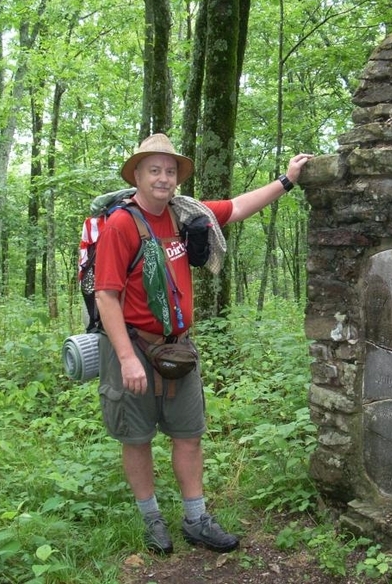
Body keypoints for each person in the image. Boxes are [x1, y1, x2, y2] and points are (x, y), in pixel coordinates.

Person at [94, 132, 311, 555]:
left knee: (188, 434)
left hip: (179, 348)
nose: (163, 178)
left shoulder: (184, 215)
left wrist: (286, 180)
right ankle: (152, 519)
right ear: (137, 174)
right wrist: (126, 359)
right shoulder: (121, 224)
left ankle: (195, 519)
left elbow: (238, 207)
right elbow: (106, 294)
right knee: (136, 438)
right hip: (134, 346)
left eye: (169, 170)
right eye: (153, 170)